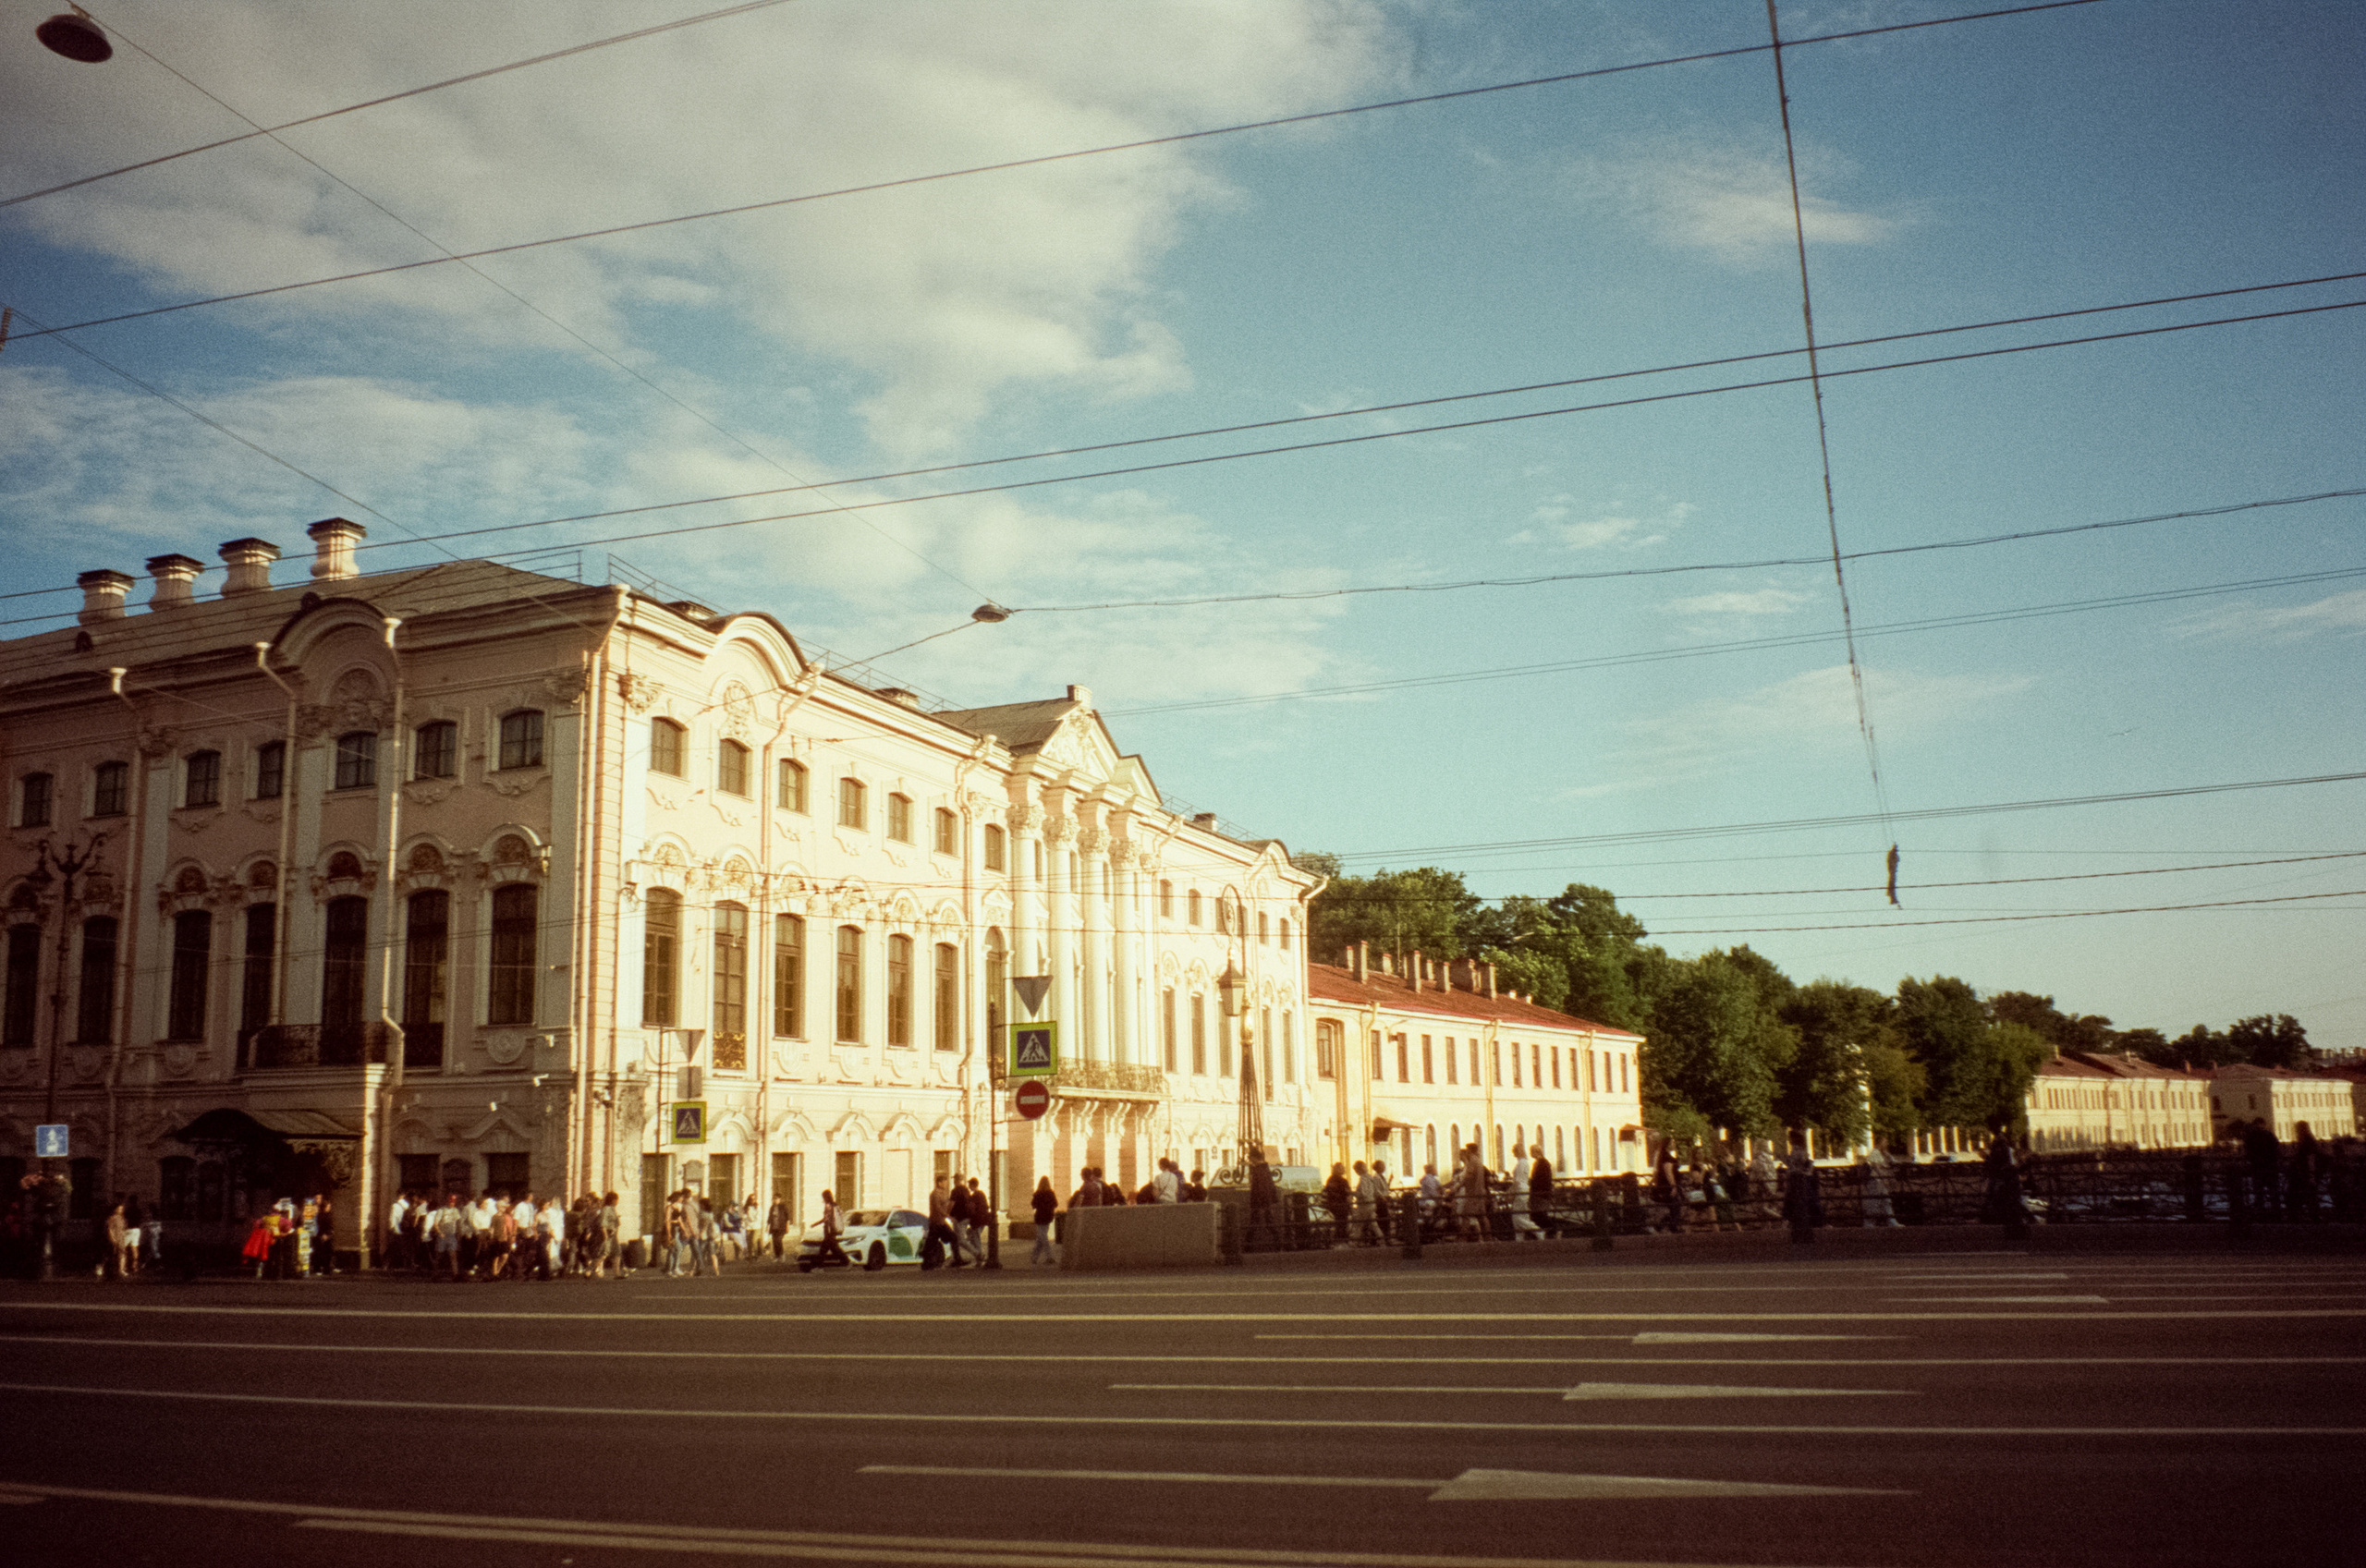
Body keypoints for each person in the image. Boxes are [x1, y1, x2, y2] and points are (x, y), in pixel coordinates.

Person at [1980, 1132, 2027, 1238]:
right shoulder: (2006, 1151)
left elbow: (1992, 1167)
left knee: (2000, 1202)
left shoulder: (1997, 1152)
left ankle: (1992, 1220)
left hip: (2002, 1181)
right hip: (2008, 1182)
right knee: (2012, 1206)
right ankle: (2016, 1228)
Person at [1782, 1139, 1823, 1245]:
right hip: (1801, 1190)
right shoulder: (1802, 1163)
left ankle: (1801, 1235)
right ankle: (1803, 1235)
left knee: (1801, 1213)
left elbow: (1805, 1173)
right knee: (1802, 1213)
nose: (1794, 1151)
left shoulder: (1801, 1165)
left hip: (1800, 1190)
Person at [808, 1188, 850, 1270]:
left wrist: (815, 1224)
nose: (823, 1199)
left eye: (823, 1197)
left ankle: (819, 1267)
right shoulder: (835, 1205)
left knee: (823, 1250)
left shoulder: (828, 1206)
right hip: (834, 1230)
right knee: (833, 1248)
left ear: (825, 1197)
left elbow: (826, 1219)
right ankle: (846, 1261)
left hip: (829, 1230)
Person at [1246, 1149, 1280, 1251]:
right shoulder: (1265, 1169)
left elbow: (1260, 1188)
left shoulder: (1258, 1170)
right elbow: (1270, 1187)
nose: (1250, 1161)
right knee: (1267, 1223)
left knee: (1255, 1223)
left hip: (1259, 1203)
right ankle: (1279, 1243)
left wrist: (1260, 1203)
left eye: (1250, 1158)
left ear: (1254, 1158)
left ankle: (1247, 1246)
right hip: (1265, 1202)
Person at [926, 1177, 962, 1270]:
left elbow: (947, 1205)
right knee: (933, 1242)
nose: (946, 1184)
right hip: (936, 1222)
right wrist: (947, 1215)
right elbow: (937, 1208)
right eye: (945, 1182)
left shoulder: (944, 1194)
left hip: (941, 1222)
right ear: (939, 1183)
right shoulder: (935, 1194)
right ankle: (929, 1263)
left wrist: (950, 1211)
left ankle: (957, 1259)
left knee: (933, 1242)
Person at [2290, 1122, 2323, 1222]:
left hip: (2305, 1172)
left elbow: (2310, 1157)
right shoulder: (2308, 1140)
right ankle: (2312, 1214)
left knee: (2306, 1193)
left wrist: (2311, 1173)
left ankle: (2307, 1215)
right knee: (2309, 1194)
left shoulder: (2306, 1141)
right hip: (2305, 1172)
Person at [1860, 1148, 1899, 1228]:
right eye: (1884, 1142)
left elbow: (1893, 1162)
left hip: (1881, 1181)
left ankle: (1891, 1222)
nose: (1886, 1144)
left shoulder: (1885, 1153)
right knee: (1874, 1202)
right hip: (1875, 1181)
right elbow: (1876, 1168)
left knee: (1886, 1201)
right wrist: (1885, 1178)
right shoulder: (1875, 1152)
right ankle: (1869, 1223)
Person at [1509, 1147, 1543, 1239]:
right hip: (1523, 1189)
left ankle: (1538, 1231)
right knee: (1523, 1215)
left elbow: (1518, 1181)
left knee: (1517, 1216)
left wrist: (1511, 1193)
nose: (1513, 1154)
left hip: (1520, 1190)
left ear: (1518, 1152)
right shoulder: (1523, 1162)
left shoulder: (1521, 1163)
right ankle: (1520, 1238)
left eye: (1514, 1152)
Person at [1351, 1160, 1385, 1246]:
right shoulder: (1370, 1178)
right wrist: (1382, 1197)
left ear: (1358, 1170)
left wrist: (1353, 1193)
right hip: (1372, 1203)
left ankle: (1354, 1242)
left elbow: (1363, 1193)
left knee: (1359, 1224)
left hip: (1364, 1205)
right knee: (1374, 1224)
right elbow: (1376, 1191)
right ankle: (1381, 1240)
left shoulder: (1363, 1179)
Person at [1030, 1176, 1060, 1266]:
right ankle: (1034, 1257)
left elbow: (1033, 1205)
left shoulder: (1038, 1194)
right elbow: (1056, 1204)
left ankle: (1049, 1257)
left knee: (1042, 1236)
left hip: (1040, 1216)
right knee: (1041, 1237)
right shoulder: (1051, 1193)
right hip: (1048, 1216)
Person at [1528, 1144, 1555, 1237]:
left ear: (1536, 1152)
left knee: (1539, 1214)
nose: (1530, 1153)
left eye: (1531, 1151)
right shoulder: (1539, 1163)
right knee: (1538, 1214)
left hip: (1541, 1193)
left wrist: (1533, 1183)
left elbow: (1544, 1179)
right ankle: (1546, 1233)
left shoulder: (1543, 1163)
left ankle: (1553, 1230)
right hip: (1538, 1193)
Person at [1322, 1162, 1352, 1245]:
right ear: (1338, 1170)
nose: (1344, 1169)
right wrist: (1349, 1203)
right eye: (1342, 1168)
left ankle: (1338, 1239)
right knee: (1343, 1223)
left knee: (1338, 1224)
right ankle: (1342, 1239)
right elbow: (1347, 1193)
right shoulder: (1343, 1181)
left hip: (1332, 1205)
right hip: (1341, 1206)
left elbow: (1328, 1191)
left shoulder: (1330, 1179)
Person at [766, 1196, 790, 1261]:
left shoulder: (783, 1207)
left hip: (781, 1227)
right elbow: (769, 1217)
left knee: (779, 1241)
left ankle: (782, 1254)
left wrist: (787, 1226)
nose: (775, 1200)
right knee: (774, 1241)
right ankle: (777, 1256)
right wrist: (767, 1226)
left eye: (776, 1199)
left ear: (780, 1199)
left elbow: (788, 1217)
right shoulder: (772, 1207)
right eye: (774, 1199)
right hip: (774, 1227)